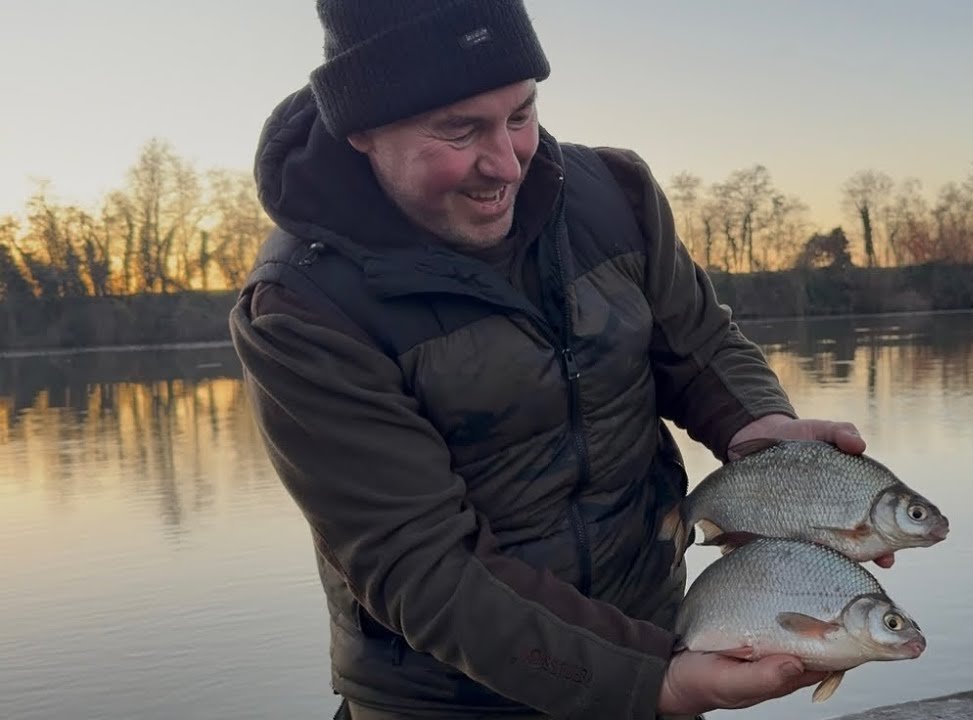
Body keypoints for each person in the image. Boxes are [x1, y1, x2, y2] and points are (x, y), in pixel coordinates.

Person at [229, 1, 891, 718]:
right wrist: (653, 685)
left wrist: (757, 427)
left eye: (521, 113)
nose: (505, 162)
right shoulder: (301, 310)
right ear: (361, 128)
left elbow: (700, 344)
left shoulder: (613, 195)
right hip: (447, 695)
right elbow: (421, 565)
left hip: (654, 632)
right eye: (460, 130)